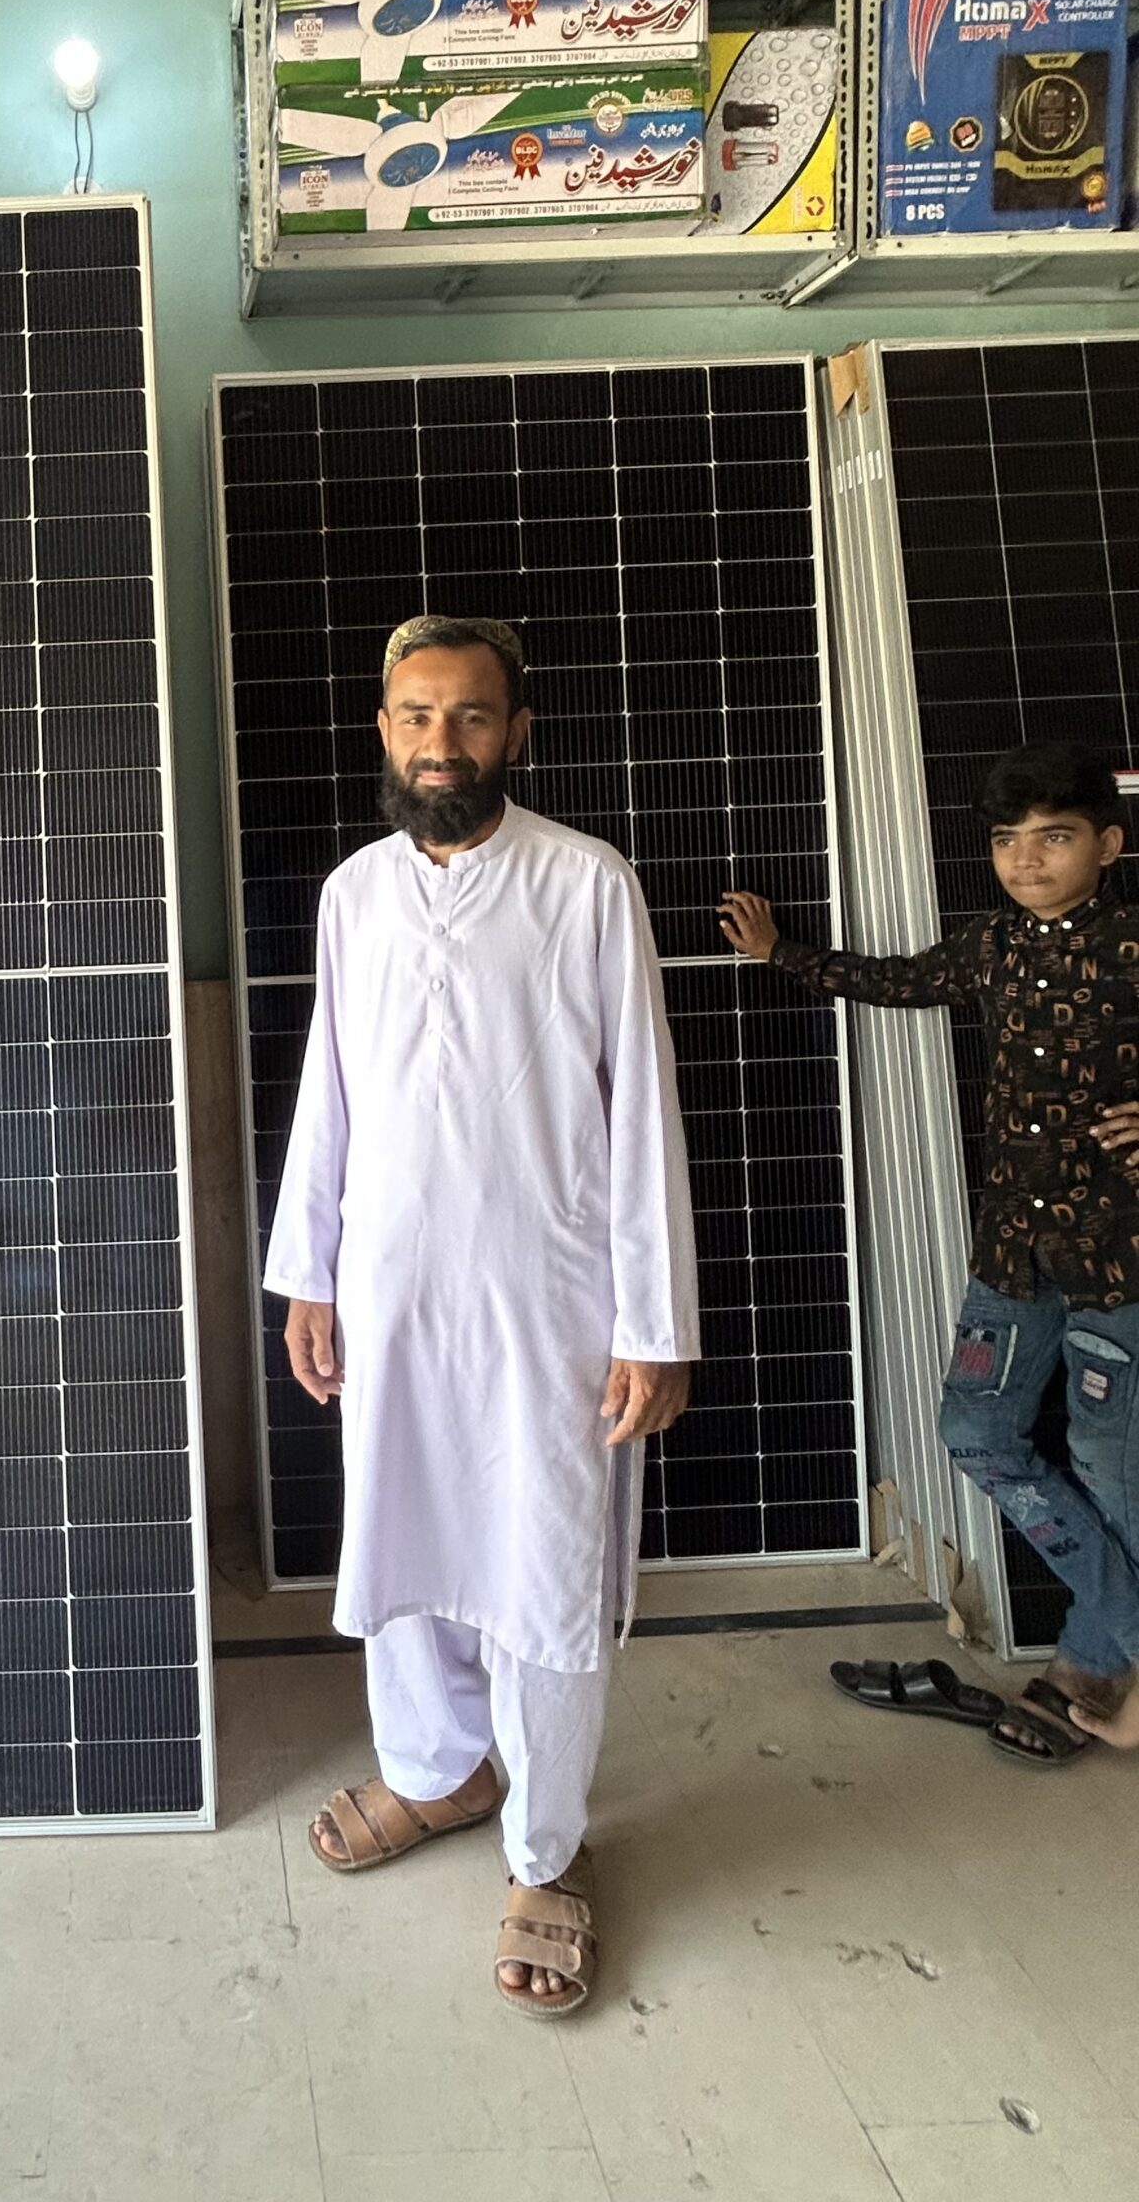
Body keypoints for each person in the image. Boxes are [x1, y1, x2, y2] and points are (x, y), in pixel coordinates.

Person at [266, 613, 698, 2018]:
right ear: (380, 729)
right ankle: (436, 1772)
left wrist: (656, 1323)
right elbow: (326, 1092)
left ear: (516, 729)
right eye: (414, 716)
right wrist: (308, 1274)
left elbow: (640, 1115)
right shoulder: (352, 895)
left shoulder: (585, 884)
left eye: (467, 716)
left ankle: (546, 1850)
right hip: (390, 1290)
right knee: (401, 1539)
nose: (439, 743)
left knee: (540, 1561)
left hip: (553, 1297)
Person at [719, 741, 1139, 1766]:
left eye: (1054, 836)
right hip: (1010, 1255)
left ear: (1109, 844)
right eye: (1006, 839)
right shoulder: (992, 947)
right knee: (975, 1427)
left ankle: (1093, 1661)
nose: (1027, 858)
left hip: (1120, 1262)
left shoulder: (1134, 945)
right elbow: (895, 980)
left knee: (1105, 1464)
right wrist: (782, 954)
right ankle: (1124, 1637)